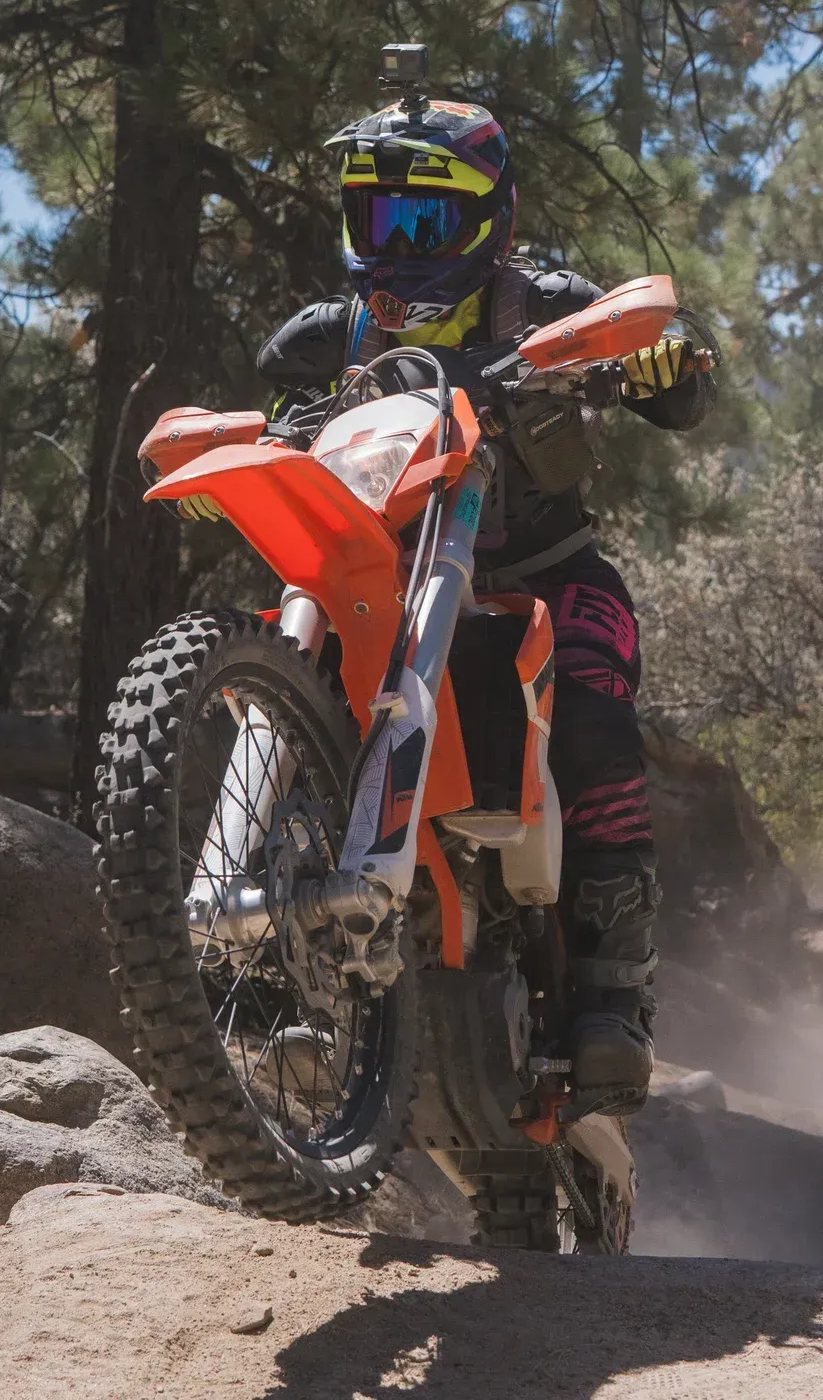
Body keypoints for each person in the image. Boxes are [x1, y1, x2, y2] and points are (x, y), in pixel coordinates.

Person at [255, 67, 716, 1112]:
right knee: (291, 683)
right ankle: (274, 961)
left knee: (596, 697)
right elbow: (272, 401)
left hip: (542, 580)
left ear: (488, 219)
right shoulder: (336, 335)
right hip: (385, 588)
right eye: (382, 213)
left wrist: (659, 362)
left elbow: (679, 374)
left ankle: (611, 991)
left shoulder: (538, 302)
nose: (404, 240)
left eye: (429, 214)